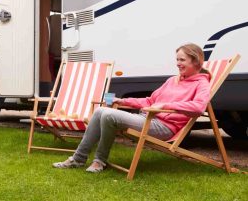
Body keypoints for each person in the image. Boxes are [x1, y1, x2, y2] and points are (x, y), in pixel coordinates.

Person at [52, 43, 211, 172]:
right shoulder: (173, 80)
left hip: (164, 127)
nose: (178, 63)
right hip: (147, 119)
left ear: (195, 61)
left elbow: (198, 107)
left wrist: (165, 105)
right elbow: (149, 101)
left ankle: (99, 161)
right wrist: (122, 101)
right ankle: (79, 159)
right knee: (101, 110)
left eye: (182, 60)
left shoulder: (201, 83)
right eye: (177, 59)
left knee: (109, 115)